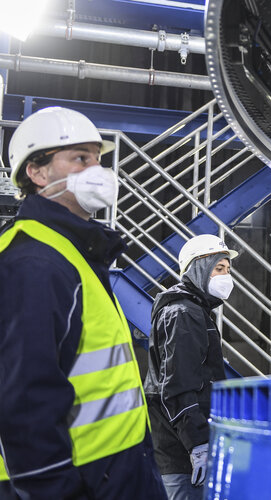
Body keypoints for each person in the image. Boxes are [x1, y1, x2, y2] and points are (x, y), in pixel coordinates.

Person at [0, 107, 167, 499]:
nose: (99, 170)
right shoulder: (34, 262)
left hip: (115, 472)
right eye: (80, 158)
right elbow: (23, 403)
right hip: (79, 482)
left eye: (98, 158)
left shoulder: (72, 252)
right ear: (37, 173)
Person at [144, 234, 237, 500]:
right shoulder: (184, 313)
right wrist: (198, 445)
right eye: (219, 268)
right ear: (199, 268)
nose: (225, 276)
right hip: (182, 454)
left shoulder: (193, 310)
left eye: (228, 270)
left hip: (183, 449)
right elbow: (178, 386)